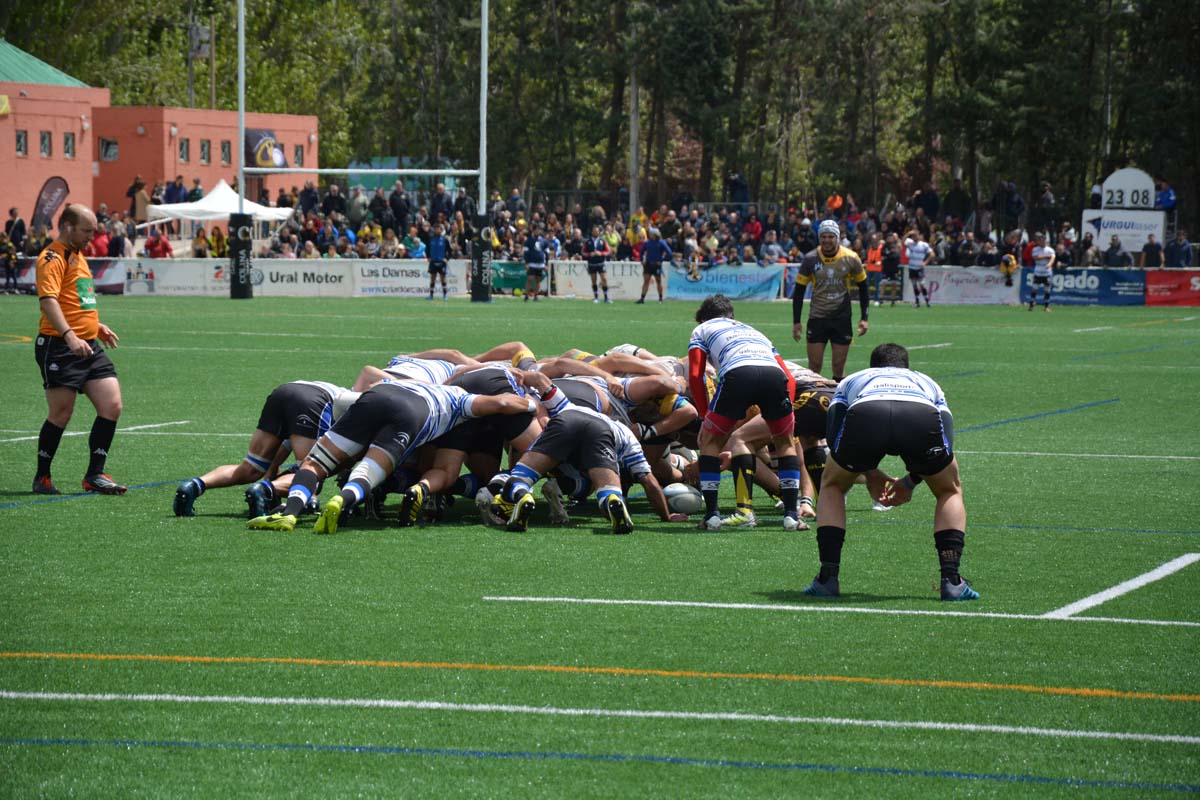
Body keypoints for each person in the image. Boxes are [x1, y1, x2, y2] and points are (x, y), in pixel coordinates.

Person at [802, 342, 978, 602]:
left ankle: (828, 578)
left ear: (874, 366)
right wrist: (912, 480)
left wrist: (868, 472)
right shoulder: (925, 381)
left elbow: (834, 433)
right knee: (949, 489)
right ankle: (952, 581)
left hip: (866, 413)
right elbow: (947, 440)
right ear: (906, 367)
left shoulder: (855, 379)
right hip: (919, 414)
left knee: (832, 485)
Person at [249, 380, 534, 533]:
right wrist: (530, 403)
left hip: (379, 394)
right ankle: (342, 500)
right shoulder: (460, 398)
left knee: (315, 462)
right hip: (413, 411)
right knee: (370, 469)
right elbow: (502, 402)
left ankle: (289, 515)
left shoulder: (433, 382)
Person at [31, 204, 126, 495]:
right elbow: (49, 300)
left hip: (88, 345)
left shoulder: (80, 256)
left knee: (112, 405)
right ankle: (42, 477)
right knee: (61, 413)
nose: (91, 236)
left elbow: (76, 300)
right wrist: (71, 335)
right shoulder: (51, 257)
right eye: (86, 231)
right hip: (60, 346)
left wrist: (95, 327)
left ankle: (94, 475)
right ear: (68, 226)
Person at [689, 294, 802, 531]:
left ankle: (712, 515)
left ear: (702, 318)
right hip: (774, 377)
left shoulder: (702, 330)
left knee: (709, 441)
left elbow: (696, 374)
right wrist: (784, 411)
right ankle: (792, 516)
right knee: (785, 443)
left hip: (738, 375)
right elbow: (789, 378)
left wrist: (703, 415)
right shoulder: (754, 331)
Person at [173, 380, 355, 518]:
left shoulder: (359, 396)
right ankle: (265, 490)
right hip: (315, 400)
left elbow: (285, 443)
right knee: (312, 474)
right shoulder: (366, 409)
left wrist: (267, 474)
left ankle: (194, 486)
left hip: (284, 391)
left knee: (250, 469)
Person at [791, 219, 870, 382]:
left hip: (841, 318)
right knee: (814, 367)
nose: (827, 240)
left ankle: (838, 404)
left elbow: (863, 288)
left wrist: (864, 318)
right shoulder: (810, 259)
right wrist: (796, 321)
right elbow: (798, 292)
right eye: (824, 237)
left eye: (830, 237)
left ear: (838, 237)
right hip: (817, 317)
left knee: (838, 367)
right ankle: (814, 404)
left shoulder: (851, 258)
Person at [637, 228, 672, 304]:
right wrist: (641, 260)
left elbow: (669, 253)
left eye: (651, 234)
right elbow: (641, 251)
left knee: (658, 281)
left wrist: (661, 260)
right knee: (646, 281)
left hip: (656, 265)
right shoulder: (647, 243)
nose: (650, 235)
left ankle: (660, 298)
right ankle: (642, 298)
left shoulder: (661, 243)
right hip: (648, 264)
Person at [904, 229, 934, 307]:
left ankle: (927, 300)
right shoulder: (910, 244)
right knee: (914, 285)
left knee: (922, 284)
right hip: (912, 267)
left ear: (919, 235)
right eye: (913, 236)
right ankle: (917, 301)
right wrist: (908, 233)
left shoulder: (924, 245)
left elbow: (932, 254)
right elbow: (902, 242)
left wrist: (925, 263)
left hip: (919, 268)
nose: (914, 237)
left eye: (916, 235)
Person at [583, 224, 612, 303]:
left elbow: (608, 251)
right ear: (592, 232)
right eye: (594, 231)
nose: (595, 232)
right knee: (594, 280)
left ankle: (606, 297)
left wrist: (601, 253)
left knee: (604, 279)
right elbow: (583, 252)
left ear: (599, 232)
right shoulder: (588, 241)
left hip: (601, 263)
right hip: (592, 263)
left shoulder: (602, 241)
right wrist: (589, 254)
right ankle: (596, 297)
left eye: (597, 231)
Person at [1028, 232, 1056, 311]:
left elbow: (1053, 258)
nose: (1042, 242)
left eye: (1043, 240)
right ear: (1038, 241)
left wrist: (1049, 264)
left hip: (1047, 272)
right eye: (1040, 240)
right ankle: (1031, 305)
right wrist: (1046, 256)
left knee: (1047, 290)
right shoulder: (1035, 249)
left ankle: (1046, 306)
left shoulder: (1050, 250)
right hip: (1038, 271)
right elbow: (1036, 257)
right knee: (1034, 288)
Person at [427, 223, 450, 300]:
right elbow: (427, 249)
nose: (437, 230)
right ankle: (431, 295)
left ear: (441, 230)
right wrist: (428, 257)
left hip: (441, 262)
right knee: (432, 278)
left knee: (443, 279)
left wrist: (447, 258)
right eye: (436, 228)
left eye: (439, 228)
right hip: (433, 261)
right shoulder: (431, 238)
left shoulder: (444, 239)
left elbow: (449, 250)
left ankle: (445, 295)